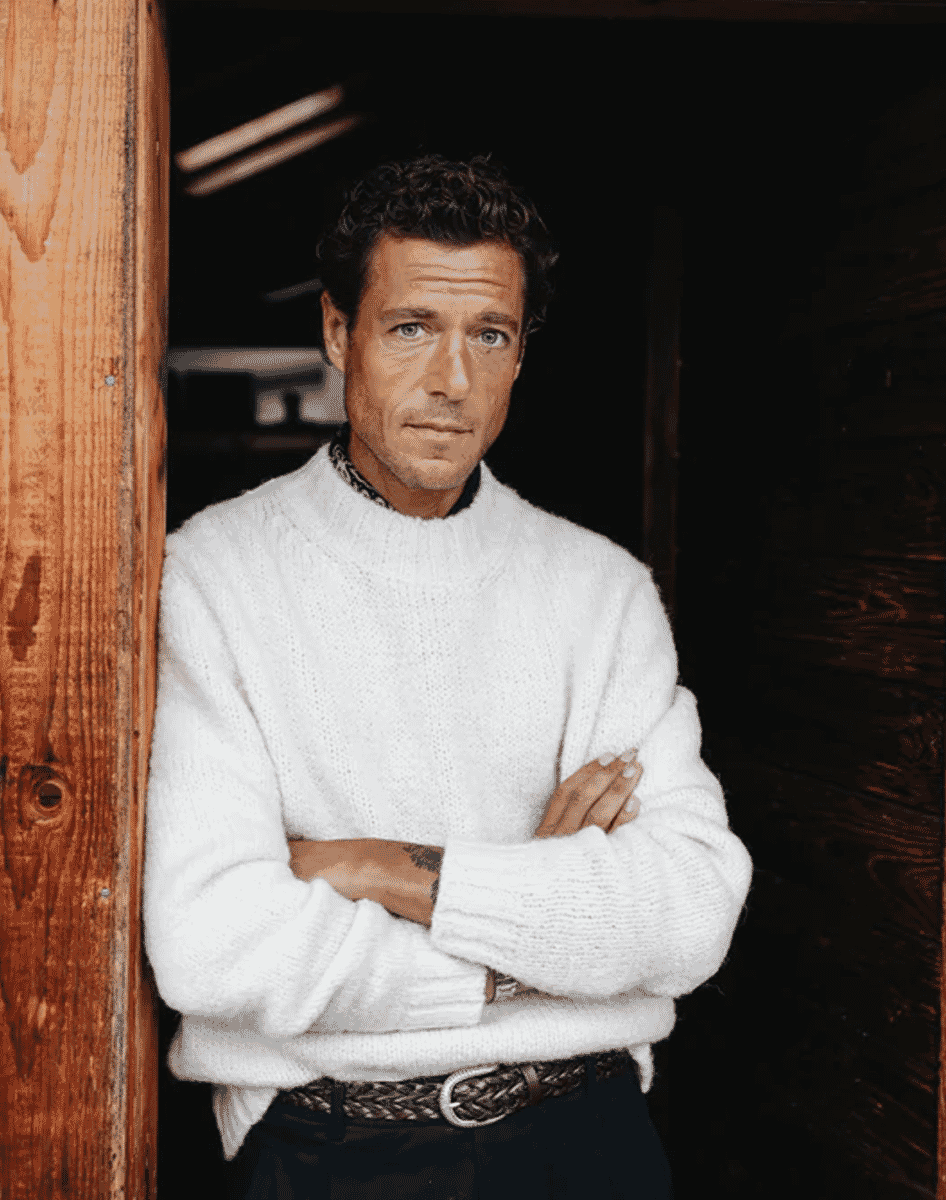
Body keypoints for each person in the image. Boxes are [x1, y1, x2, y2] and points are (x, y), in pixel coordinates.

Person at [143, 154, 753, 1200]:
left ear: (521, 356)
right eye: (410, 327)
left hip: (591, 1133)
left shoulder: (598, 589)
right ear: (339, 334)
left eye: (489, 335)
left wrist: (374, 866)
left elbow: (689, 909)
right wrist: (539, 934)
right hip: (332, 1149)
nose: (450, 381)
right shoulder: (212, 575)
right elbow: (212, 940)